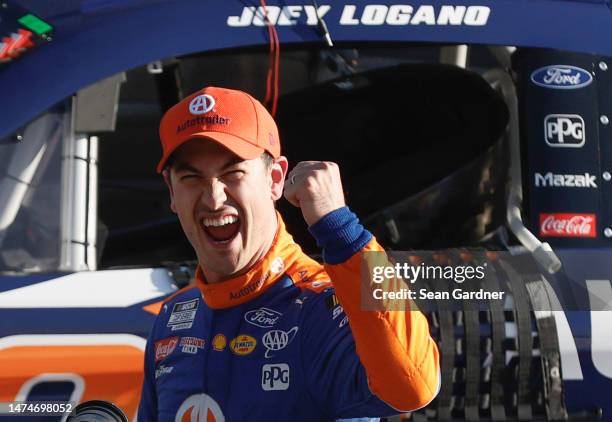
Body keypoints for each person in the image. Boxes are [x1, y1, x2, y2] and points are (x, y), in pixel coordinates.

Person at [137, 86, 440, 421]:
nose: (213, 198)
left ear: (275, 178)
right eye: (192, 178)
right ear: (172, 193)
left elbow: (414, 386)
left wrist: (343, 233)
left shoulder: (319, 305)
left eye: (233, 173)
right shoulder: (174, 317)